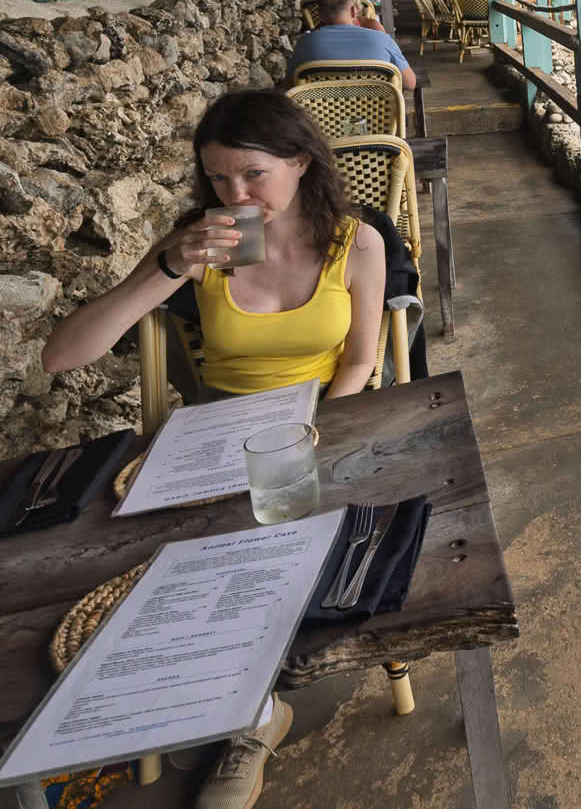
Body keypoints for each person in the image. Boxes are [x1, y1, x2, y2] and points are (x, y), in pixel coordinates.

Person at [41, 90, 392, 808]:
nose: (234, 195)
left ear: (299, 163)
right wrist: (166, 269)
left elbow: (360, 359)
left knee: (274, 551)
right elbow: (62, 357)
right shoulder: (199, 245)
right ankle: (252, 716)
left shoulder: (355, 242)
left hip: (319, 428)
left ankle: (244, 720)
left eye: (253, 176)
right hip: (214, 436)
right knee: (185, 565)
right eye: (217, 179)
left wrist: (325, 435)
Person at [289, 0, 416, 90]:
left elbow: (290, 86)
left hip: (321, 118)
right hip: (377, 116)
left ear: (319, 14)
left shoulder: (305, 44)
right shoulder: (381, 39)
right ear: (353, 11)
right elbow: (410, 84)